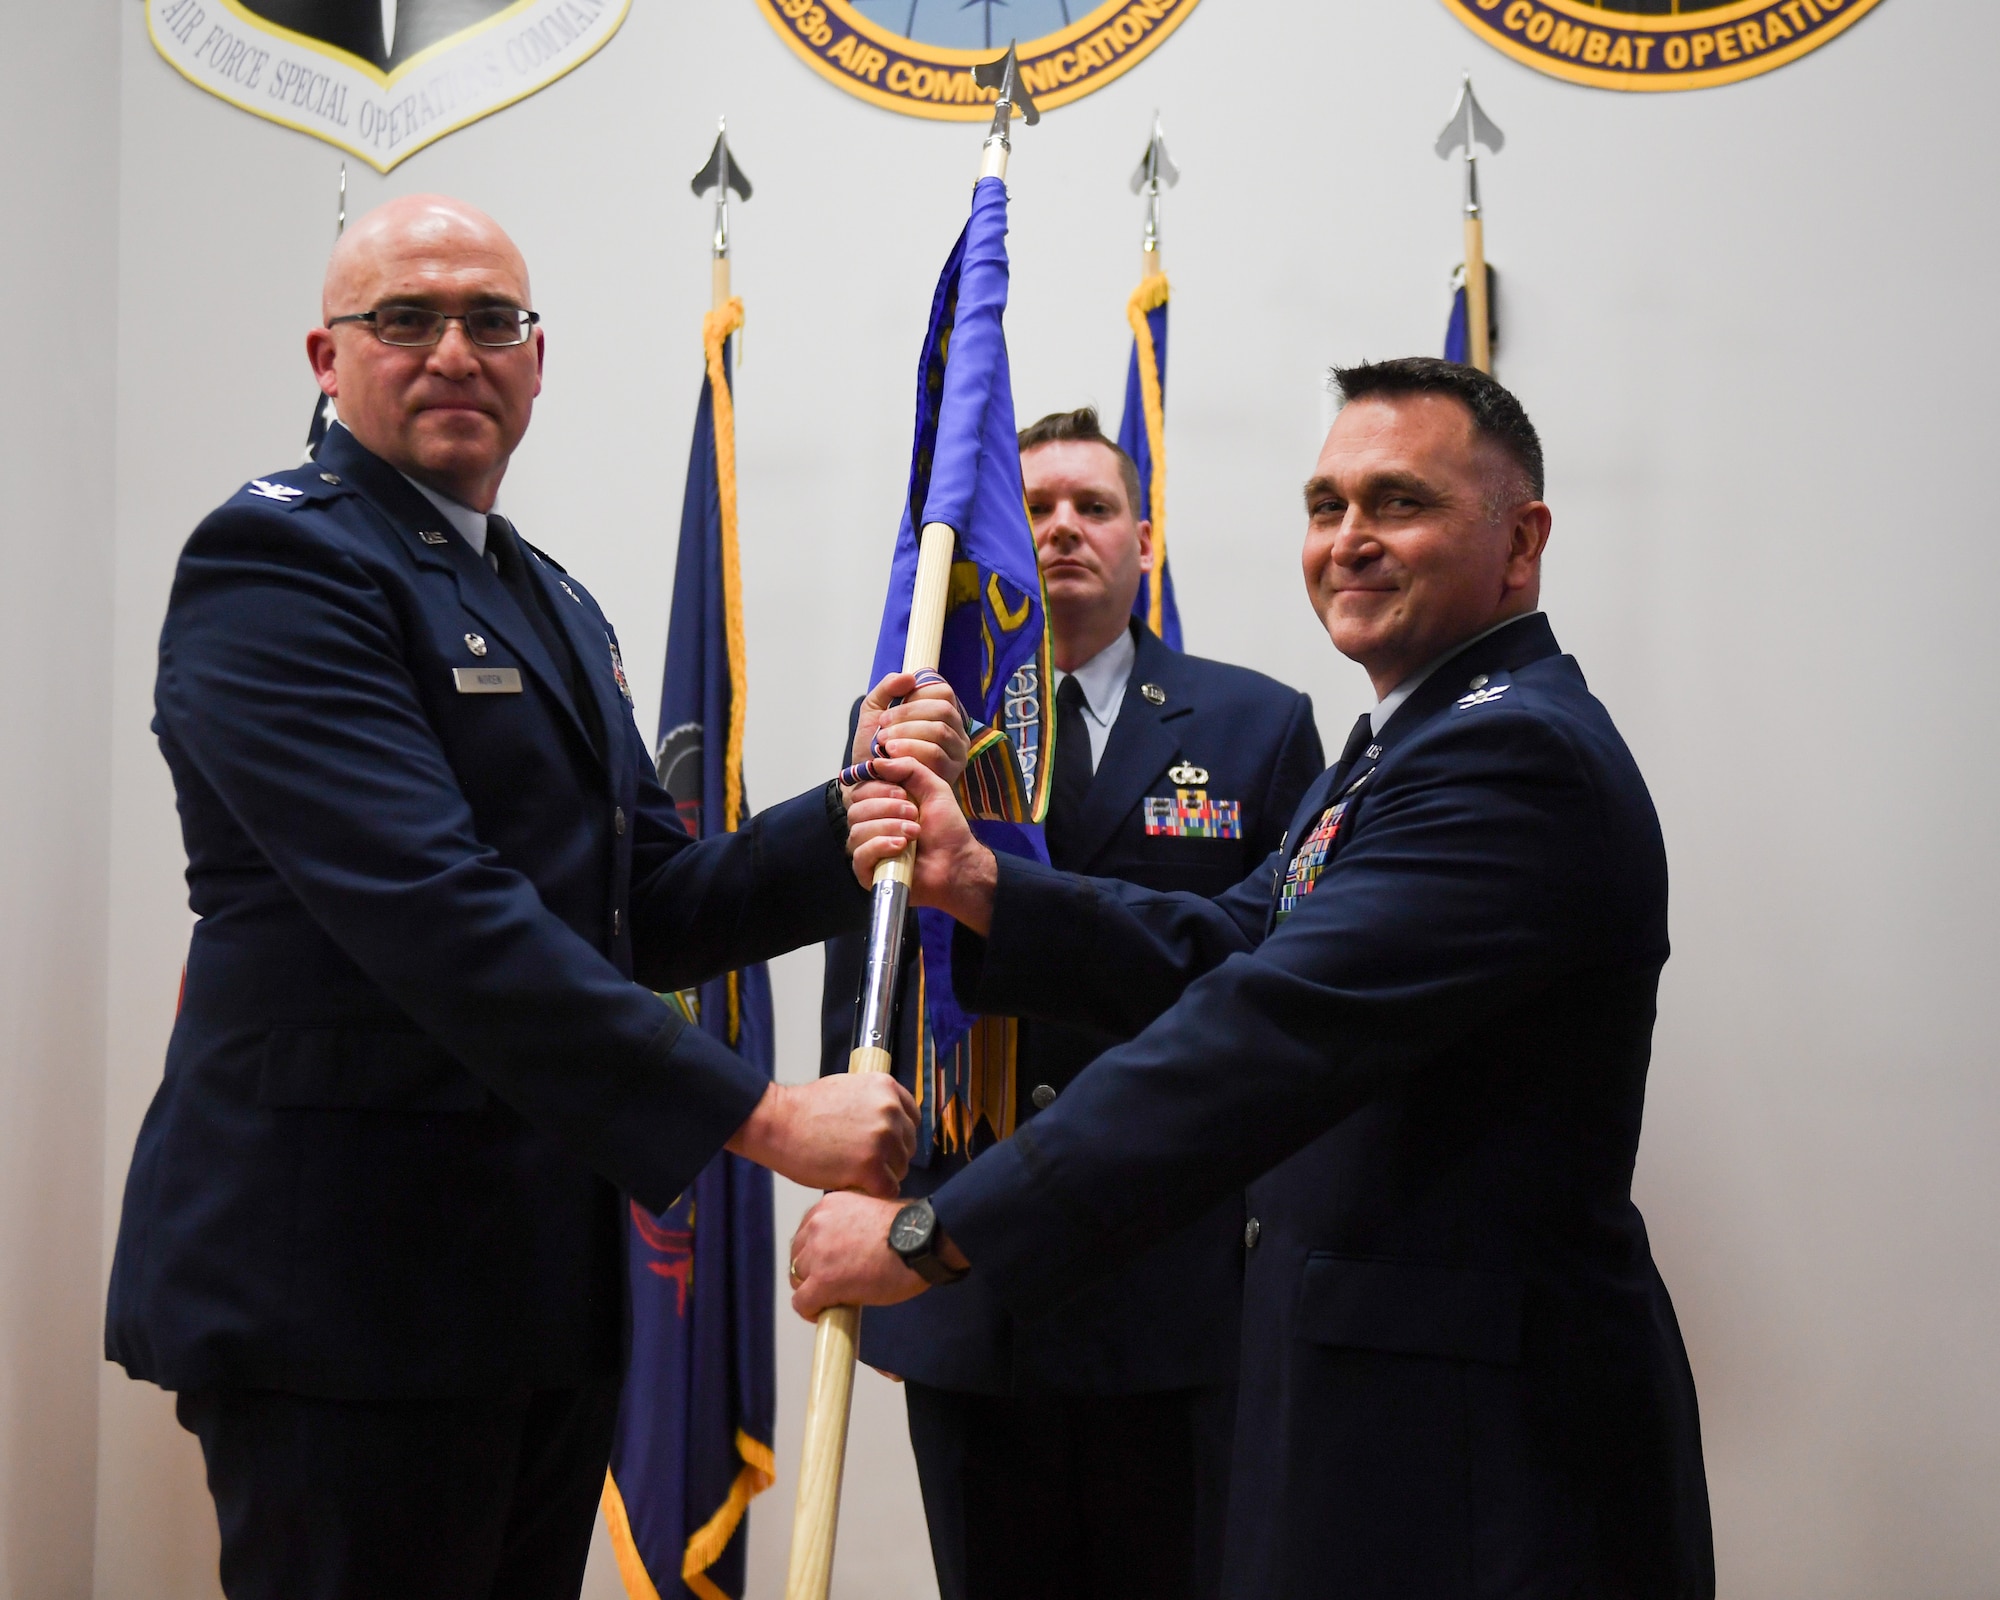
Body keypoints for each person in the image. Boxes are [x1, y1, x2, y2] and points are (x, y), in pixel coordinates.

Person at [102, 195, 960, 1600]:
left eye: (491, 320)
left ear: (538, 360)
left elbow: (644, 903)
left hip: (525, 1288)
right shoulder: (277, 565)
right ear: (328, 355)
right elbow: (437, 911)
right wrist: (759, 1117)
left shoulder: (546, 597)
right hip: (343, 1294)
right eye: (406, 320)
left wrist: (847, 812)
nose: (454, 350)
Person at [794, 359, 1716, 1599]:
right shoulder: (1405, 740)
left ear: (1519, 541)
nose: (1348, 540)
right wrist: (987, 885)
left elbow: (1262, 1030)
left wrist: (934, 1230)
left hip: (1478, 1448)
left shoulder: (1510, 757)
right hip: (1374, 1401)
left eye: (1398, 502)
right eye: (1325, 504)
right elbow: (1230, 945)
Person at [819, 408, 1322, 1600]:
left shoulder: (1258, 725)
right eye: (1032, 508)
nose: (1059, 529)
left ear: (1143, 539)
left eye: (1091, 506)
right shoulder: (921, 727)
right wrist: (869, 1197)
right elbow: (870, 986)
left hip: (1180, 1287)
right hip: (969, 1281)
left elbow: (1288, 999)